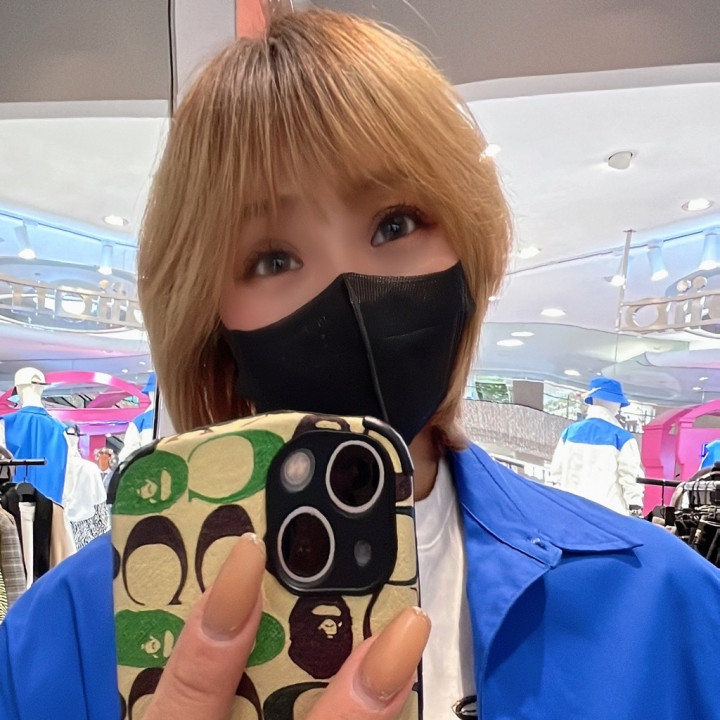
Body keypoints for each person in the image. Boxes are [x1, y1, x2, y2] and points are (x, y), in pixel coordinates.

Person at [1, 9, 720, 720]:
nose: (348, 291)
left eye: (394, 224)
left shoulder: (664, 606)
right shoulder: (66, 635)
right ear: (210, 322)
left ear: (468, 247)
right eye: (271, 259)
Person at [548, 377, 645, 516]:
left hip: (570, 512)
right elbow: (631, 480)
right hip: (607, 516)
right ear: (615, 403)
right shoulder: (622, 438)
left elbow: (555, 475)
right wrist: (635, 510)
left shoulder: (569, 433)